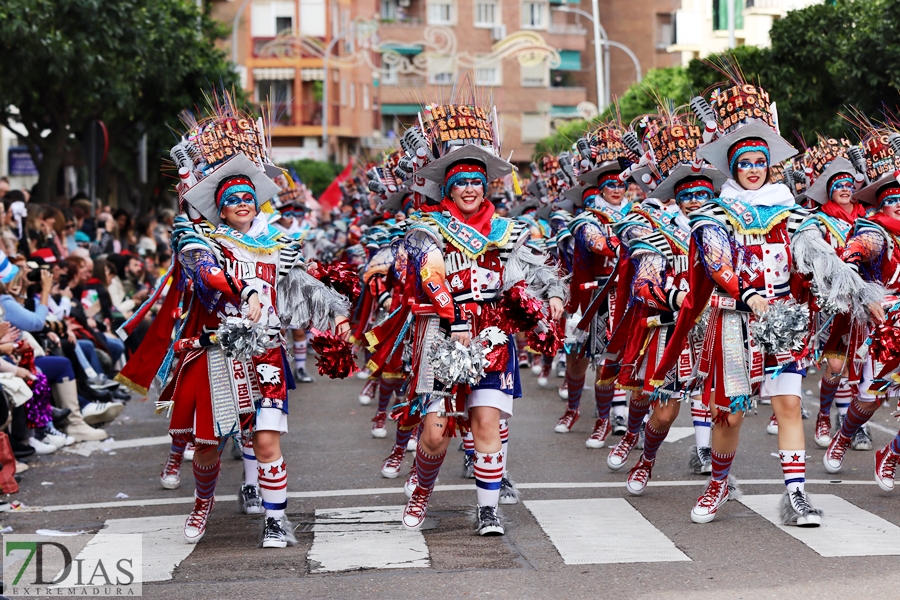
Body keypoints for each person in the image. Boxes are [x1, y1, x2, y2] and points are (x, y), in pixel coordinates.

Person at [116, 102, 351, 548]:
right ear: (219, 210)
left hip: (266, 353)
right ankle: (203, 505)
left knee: (265, 440)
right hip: (216, 353)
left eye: (248, 198)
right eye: (232, 201)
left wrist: (335, 313)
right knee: (207, 444)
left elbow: (299, 284)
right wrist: (242, 290)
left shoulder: (278, 242)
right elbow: (204, 275)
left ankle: (276, 520)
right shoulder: (198, 239)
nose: (242, 205)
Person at [650, 82, 882, 526]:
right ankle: (719, 482)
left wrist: (860, 294)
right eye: (744, 164)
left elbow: (821, 258)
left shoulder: (793, 213)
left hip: (784, 322)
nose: (754, 170)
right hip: (734, 325)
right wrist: (749, 295)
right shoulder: (713, 215)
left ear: (770, 165)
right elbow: (717, 261)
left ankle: (796, 495)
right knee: (730, 417)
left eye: (760, 162)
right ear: (732, 168)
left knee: (789, 406)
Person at [366, 100, 567, 536]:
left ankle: (488, 510)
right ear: (449, 189)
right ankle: (421, 489)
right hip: (442, 335)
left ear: (487, 185)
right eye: (461, 184)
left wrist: (551, 293)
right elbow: (430, 272)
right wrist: (452, 315)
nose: (470, 189)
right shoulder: (428, 227)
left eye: (477, 181)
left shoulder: (509, 229)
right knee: (437, 432)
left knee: (486, 422)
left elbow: (540, 269)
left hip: (491, 335)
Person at [823, 130, 900, 487]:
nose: (899, 203)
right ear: (880, 204)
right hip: (888, 328)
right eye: (893, 199)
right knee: (871, 398)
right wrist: (858, 280)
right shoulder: (874, 232)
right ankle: (844, 435)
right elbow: (851, 258)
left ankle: (892, 454)